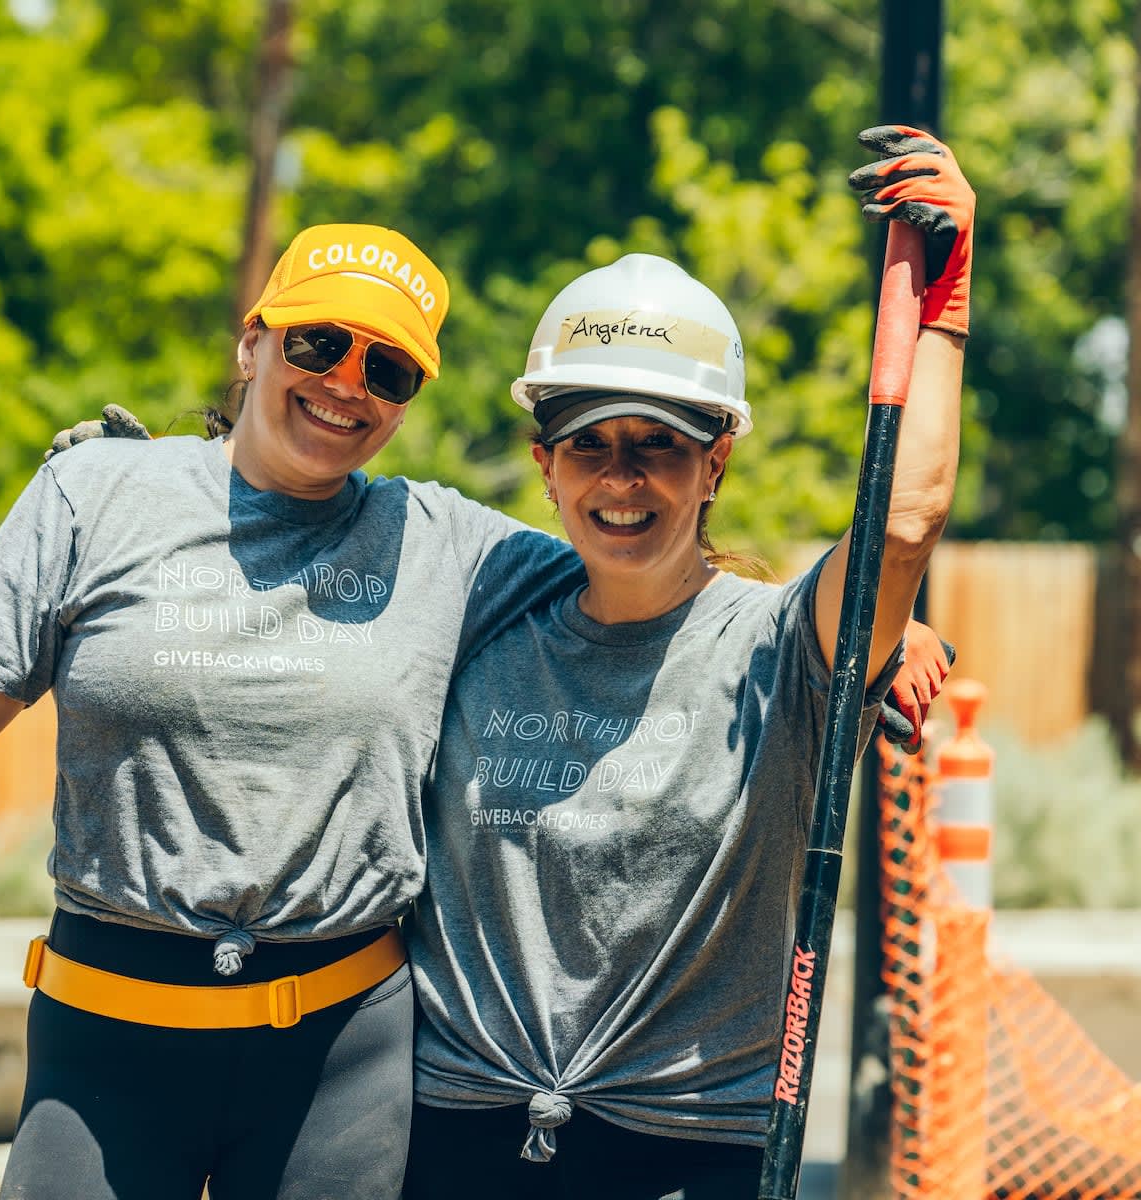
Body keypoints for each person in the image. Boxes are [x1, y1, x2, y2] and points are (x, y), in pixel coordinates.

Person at [0, 222, 592, 1200]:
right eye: (319, 344)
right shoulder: (95, 495)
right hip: (107, 1043)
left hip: (340, 1061)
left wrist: (658, 448)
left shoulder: (444, 546)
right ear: (253, 342)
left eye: (391, 370)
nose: (347, 382)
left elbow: (639, 592)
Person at [399, 124, 973, 1199]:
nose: (623, 480)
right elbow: (315, 522)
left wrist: (941, 306)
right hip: (456, 1139)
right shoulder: (476, 609)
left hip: (688, 1149)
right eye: (591, 444)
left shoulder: (781, 650)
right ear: (544, 465)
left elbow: (900, 526)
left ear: (715, 463)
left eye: (659, 444)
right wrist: (138, 489)